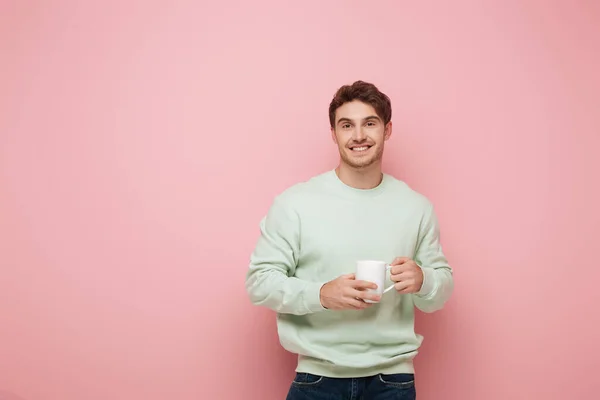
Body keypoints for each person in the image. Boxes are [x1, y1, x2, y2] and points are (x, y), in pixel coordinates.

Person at [245, 80, 454, 399]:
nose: (358, 135)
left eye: (369, 123)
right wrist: (322, 294)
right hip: (316, 378)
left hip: (392, 380)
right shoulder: (294, 204)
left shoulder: (416, 207)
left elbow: (441, 290)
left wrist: (424, 280)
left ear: (387, 130)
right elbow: (260, 282)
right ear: (334, 133)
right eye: (346, 125)